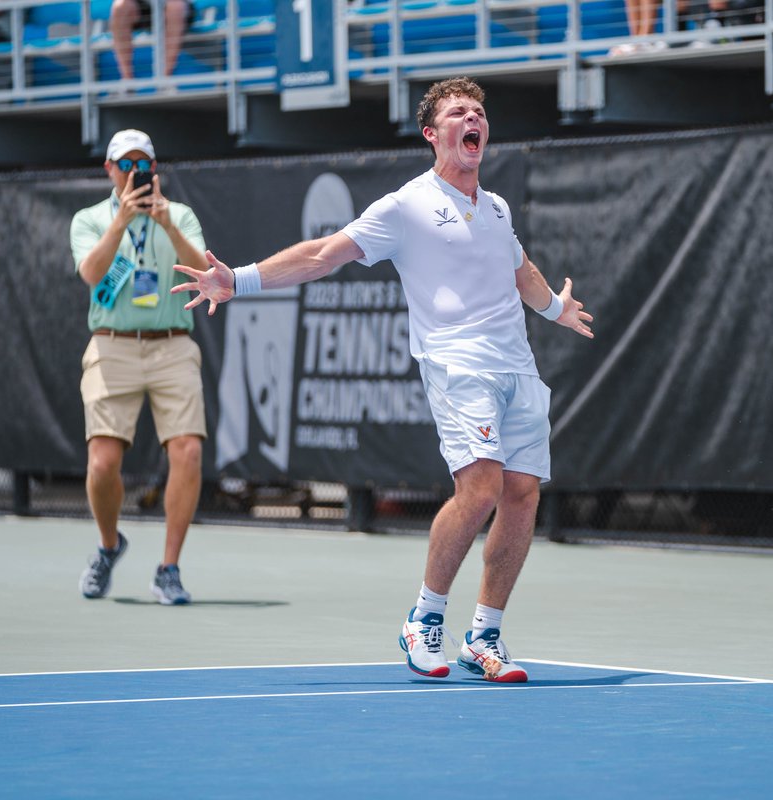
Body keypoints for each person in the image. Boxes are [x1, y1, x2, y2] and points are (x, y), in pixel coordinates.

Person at [171, 77, 594, 682]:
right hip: (457, 364)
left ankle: (485, 635)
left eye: (479, 111)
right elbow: (324, 253)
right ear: (433, 133)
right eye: (458, 113)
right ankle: (425, 619)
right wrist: (238, 280)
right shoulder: (406, 206)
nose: (473, 119)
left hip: (517, 369)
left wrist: (554, 308)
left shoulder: (496, 208)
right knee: (479, 489)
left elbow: (520, 269)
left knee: (522, 495)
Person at [71, 128, 209, 605]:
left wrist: (168, 225)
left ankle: (168, 569)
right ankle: (110, 546)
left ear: (155, 169)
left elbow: (203, 273)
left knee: (188, 451)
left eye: (141, 164)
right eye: (124, 164)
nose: (134, 173)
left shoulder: (181, 215)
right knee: (103, 463)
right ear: (109, 169)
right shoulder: (89, 219)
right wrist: (121, 223)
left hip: (171, 344)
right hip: (113, 347)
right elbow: (91, 274)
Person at [108, 0, 192, 83]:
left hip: (177, 8)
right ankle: (127, 80)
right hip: (144, 8)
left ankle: (165, 80)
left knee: (176, 7)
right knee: (120, 6)